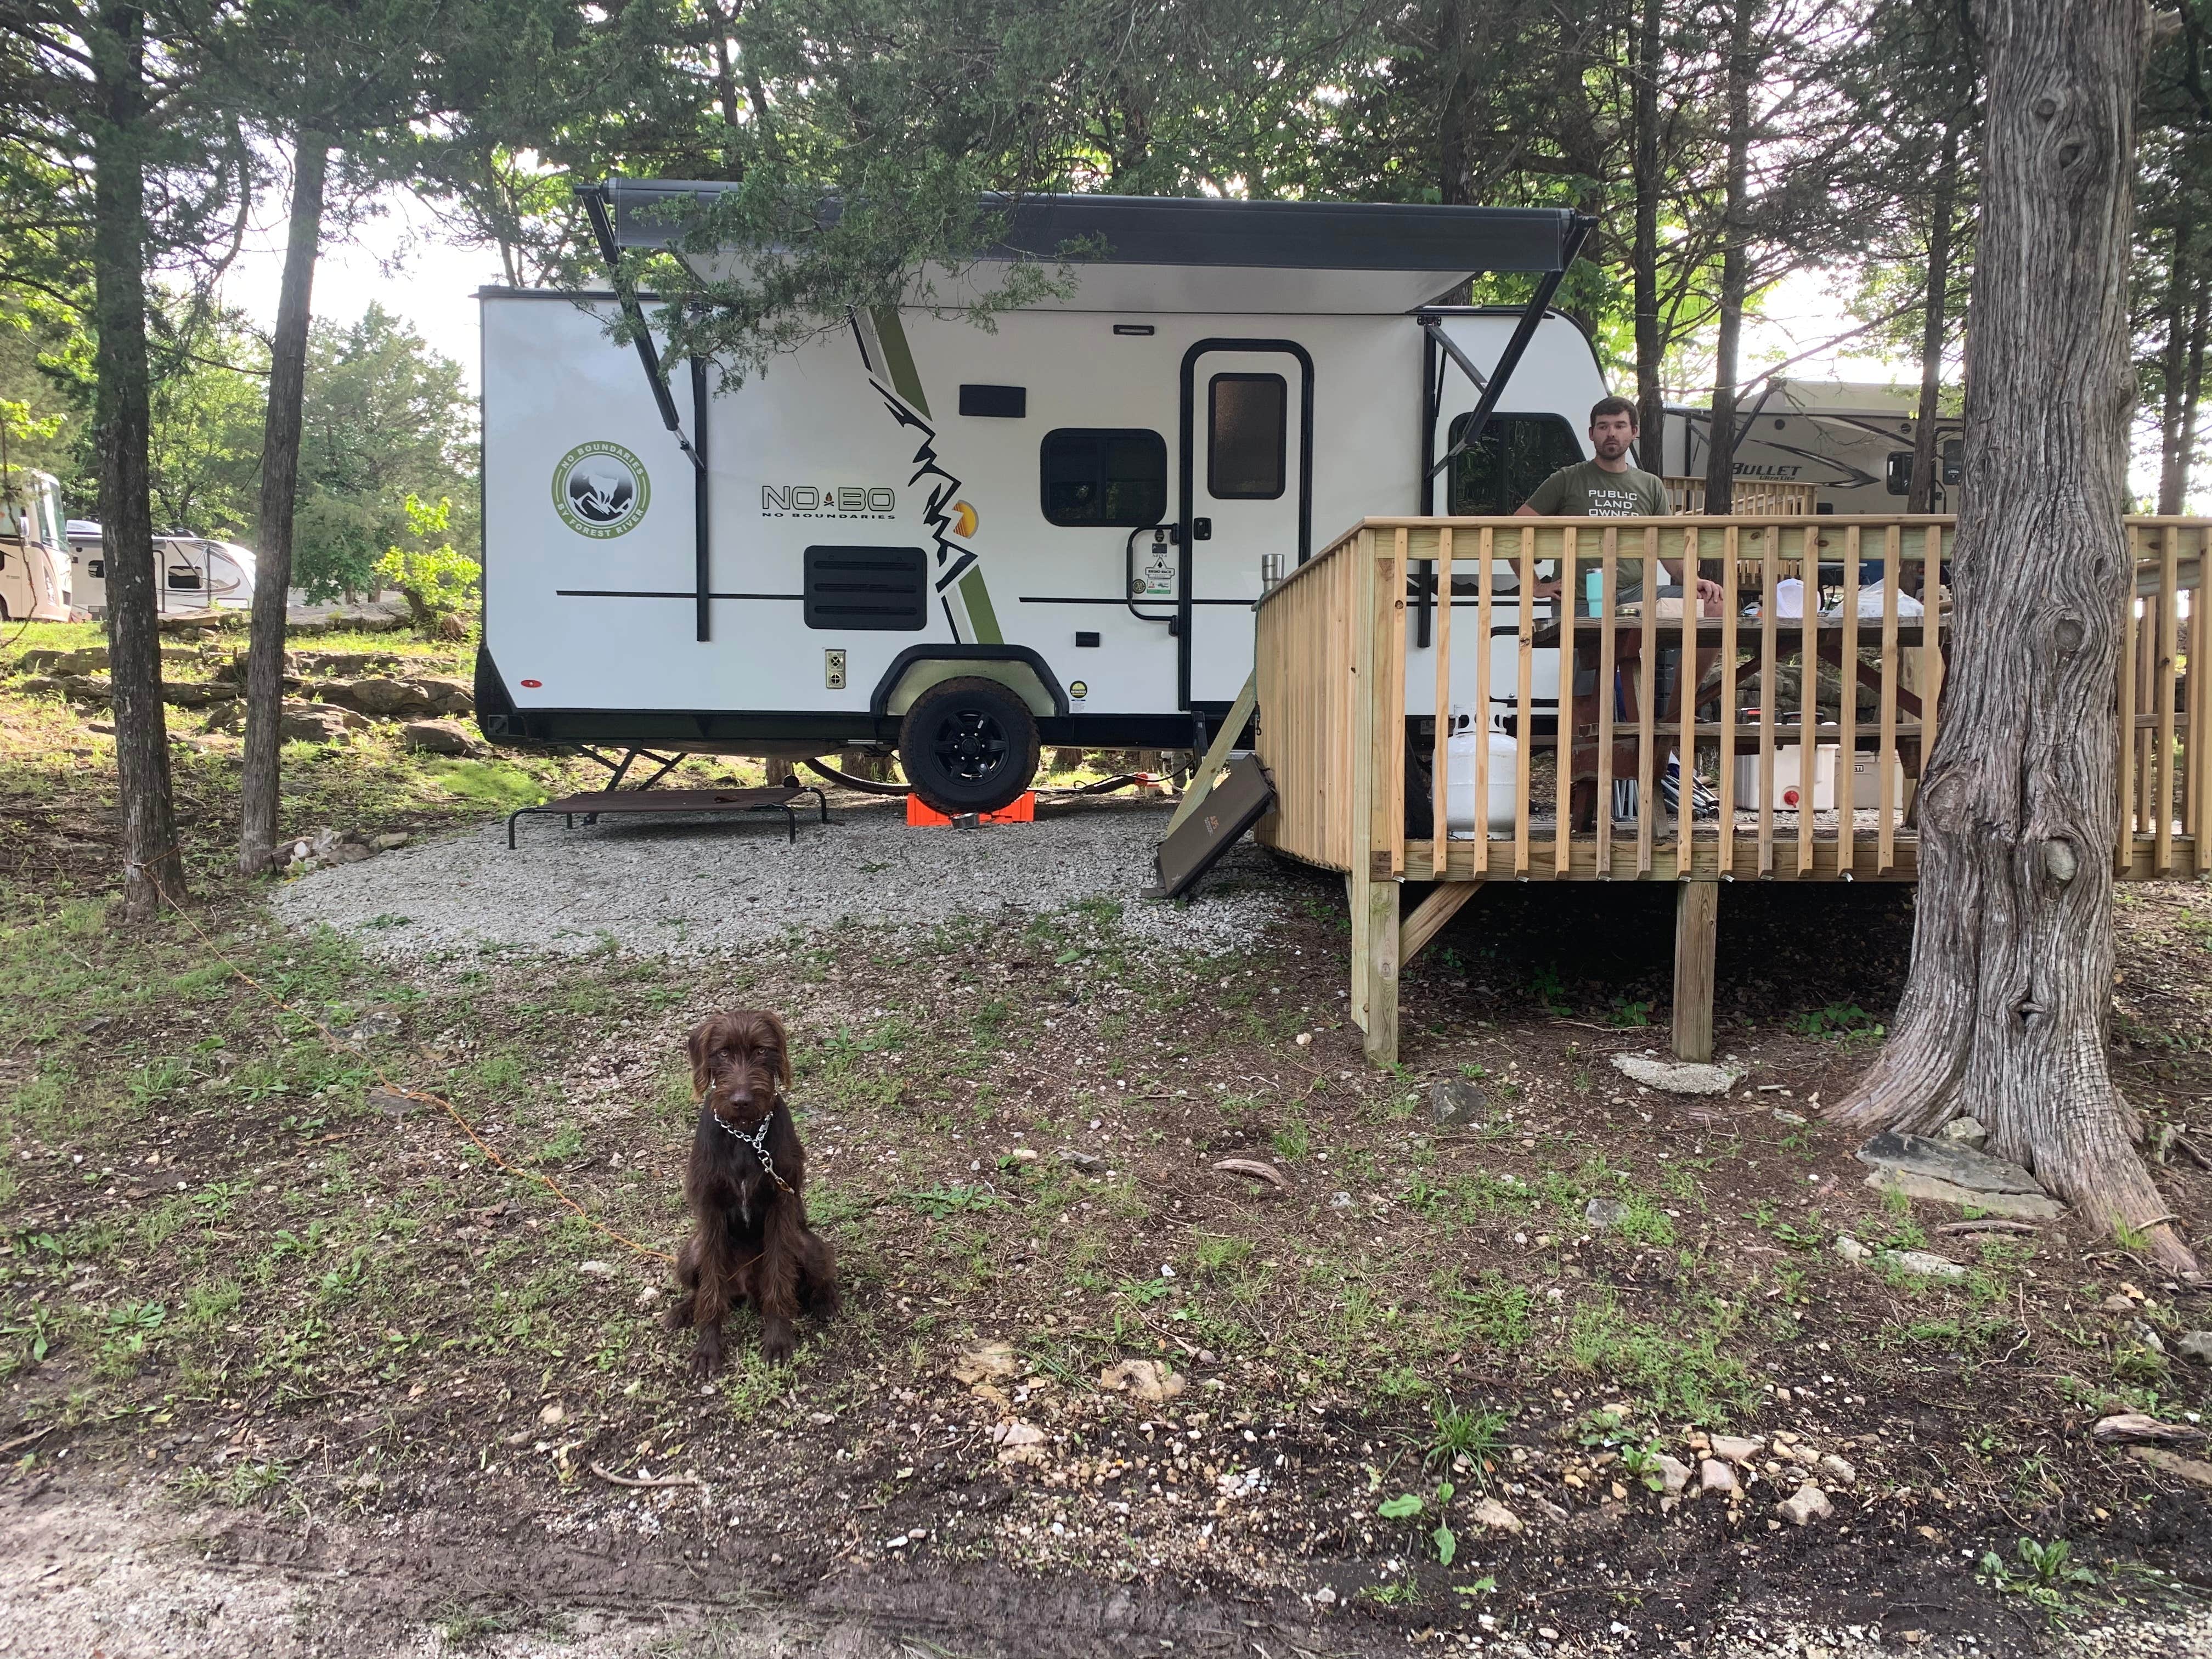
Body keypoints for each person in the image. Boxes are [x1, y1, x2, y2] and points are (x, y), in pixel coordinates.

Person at [1516, 396, 1722, 614]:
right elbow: (1515, 529)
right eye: (1603, 426)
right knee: (1595, 648)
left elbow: (1666, 547)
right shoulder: (1566, 479)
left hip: (1638, 595)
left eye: (1620, 426)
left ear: (1634, 432)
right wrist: (1535, 586)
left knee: (1714, 603)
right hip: (1579, 600)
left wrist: (1693, 580)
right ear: (1591, 434)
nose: (1611, 433)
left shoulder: (1651, 485)